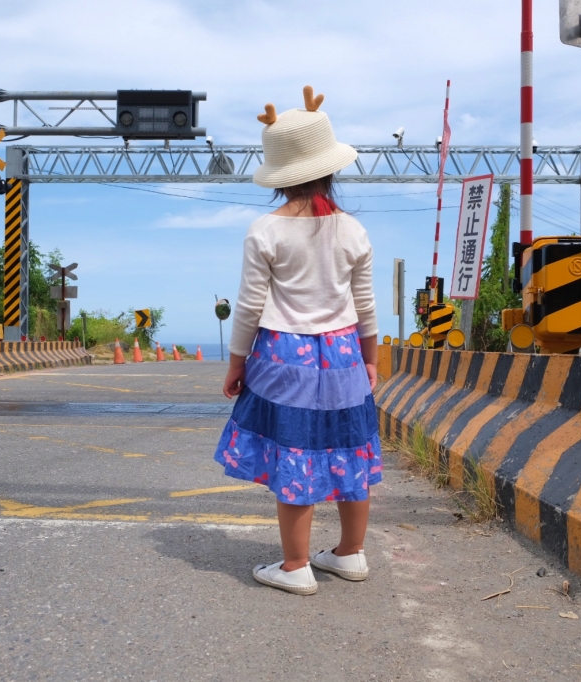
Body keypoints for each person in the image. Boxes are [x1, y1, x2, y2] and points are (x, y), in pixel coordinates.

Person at [213, 86, 382, 596]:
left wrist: (235, 364)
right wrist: (370, 361)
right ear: (330, 167)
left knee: (296, 453)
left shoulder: (265, 230)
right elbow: (368, 306)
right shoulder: (352, 230)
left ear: (280, 176)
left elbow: (248, 306)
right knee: (350, 448)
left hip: (285, 354)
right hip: (345, 353)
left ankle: (296, 565)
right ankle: (350, 554)